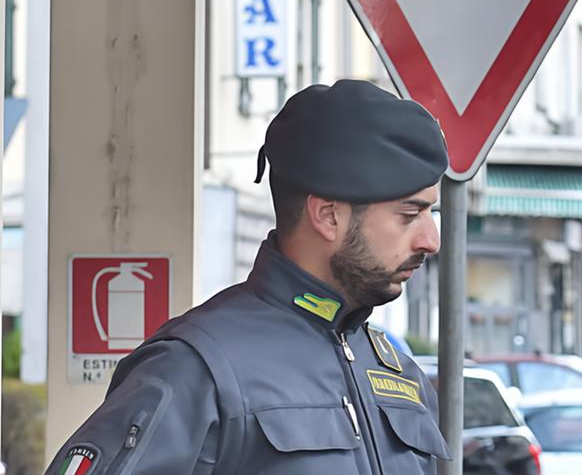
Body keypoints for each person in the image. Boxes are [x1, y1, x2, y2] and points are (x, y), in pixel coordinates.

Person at [47, 79, 451, 474]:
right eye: (410, 214)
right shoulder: (195, 369)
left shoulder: (399, 373)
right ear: (328, 216)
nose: (431, 239)